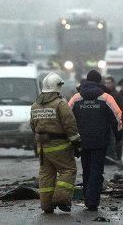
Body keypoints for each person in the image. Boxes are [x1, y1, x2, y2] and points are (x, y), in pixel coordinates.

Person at [69, 70, 122, 211]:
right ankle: (92, 201)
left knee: (86, 169)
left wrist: (70, 138)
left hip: (82, 140)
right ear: (100, 82)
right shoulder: (106, 98)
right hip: (100, 141)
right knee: (96, 170)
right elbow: (118, 118)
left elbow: (67, 118)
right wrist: (119, 137)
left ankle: (88, 196)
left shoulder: (76, 98)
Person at [30, 72, 81, 214]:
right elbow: (70, 125)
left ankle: (46, 205)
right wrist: (77, 142)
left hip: (42, 148)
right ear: (57, 87)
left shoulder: (35, 105)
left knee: (46, 175)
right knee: (68, 170)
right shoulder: (60, 104)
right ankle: (61, 199)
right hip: (60, 146)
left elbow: (32, 125)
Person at [104, 76, 123, 162]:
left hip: (115, 120)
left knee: (117, 139)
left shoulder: (117, 95)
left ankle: (116, 157)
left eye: (109, 83)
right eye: (106, 83)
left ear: (113, 83)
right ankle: (109, 157)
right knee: (108, 140)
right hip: (107, 121)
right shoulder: (104, 94)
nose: (107, 85)